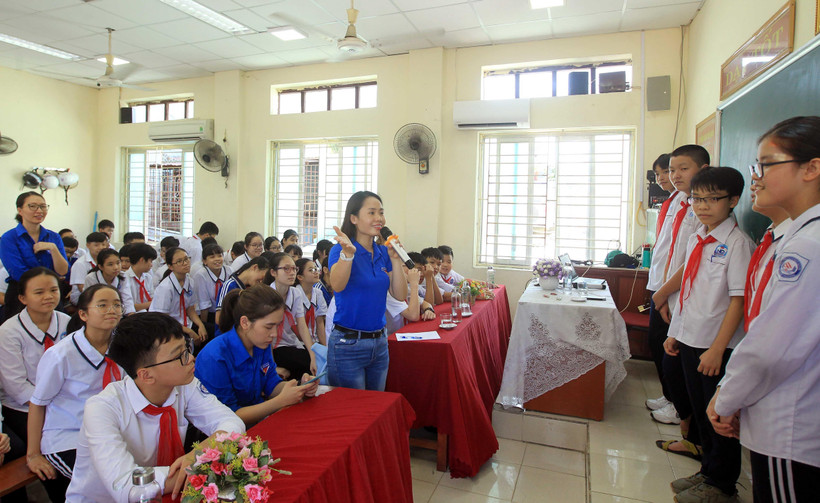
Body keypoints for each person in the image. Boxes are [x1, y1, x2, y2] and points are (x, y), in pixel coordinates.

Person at [709, 116, 820, 502]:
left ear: (812, 167)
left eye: (766, 165)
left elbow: (772, 347)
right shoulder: (796, 237)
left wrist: (726, 396)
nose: (757, 176)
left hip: (791, 420)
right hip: (778, 405)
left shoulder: (807, 246)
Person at [64, 312, 246, 502]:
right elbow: (127, 485)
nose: (191, 358)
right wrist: (200, 469)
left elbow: (231, 422)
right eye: (180, 355)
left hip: (163, 494)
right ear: (146, 375)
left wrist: (199, 454)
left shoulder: (185, 385)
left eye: (187, 348)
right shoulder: (102, 409)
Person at [661, 167, 753, 503]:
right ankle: (707, 472)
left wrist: (717, 349)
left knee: (718, 417)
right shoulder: (697, 236)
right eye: (698, 199)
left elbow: (738, 301)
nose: (702, 206)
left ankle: (722, 484)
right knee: (700, 412)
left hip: (716, 347)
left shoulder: (738, 244)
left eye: (712, 199)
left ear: (733, 201)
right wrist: (675, 332)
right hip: (689, 338)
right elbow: (688, 289)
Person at [26, 285, 124, 502]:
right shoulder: (61, 355)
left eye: (117, 304)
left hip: (108, 432)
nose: (112, 310)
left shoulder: (122, 346)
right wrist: (33, 454)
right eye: (102, 305)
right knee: (105, 486)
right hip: (68, 436)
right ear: (83, 314)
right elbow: (38, 403)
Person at [194, 285, 317, 427]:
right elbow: (228, 417)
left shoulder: (261, 344)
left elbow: (271, 384)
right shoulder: (215, 357)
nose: (275, 334)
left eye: (277, 325)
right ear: (245, 322)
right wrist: (280, 401)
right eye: (268, 327)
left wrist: (300, 387)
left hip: (259, 424)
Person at [651, 144, 710, 432]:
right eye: (670, 170)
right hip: (665, 288)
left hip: (678, 295)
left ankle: (679, 409)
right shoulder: (678, 200)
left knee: (673, 358)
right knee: (660, 348)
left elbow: (690, 260)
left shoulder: (701, 208)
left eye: (681, 169)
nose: (673, 176)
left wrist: (663, 293)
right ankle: (673, 401)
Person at [327, 191, 407, 390]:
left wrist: (396, 260)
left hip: (379, 343)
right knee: (353, 412)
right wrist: (348, 255)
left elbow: (400, 295)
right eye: (371, 213)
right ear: (353, 218)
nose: (379, 218)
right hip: (348, 344)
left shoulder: (382, 252)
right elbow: (337, 286)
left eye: (381, 212)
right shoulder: (341, 250)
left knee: (375, 409)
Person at [0, 268, 71, 443]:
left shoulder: (66, 322)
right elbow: (16, 386)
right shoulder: (9, 332)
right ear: (22, 298)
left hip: (64, 402)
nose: (48, 296)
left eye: (53, 290)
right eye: (39, 292)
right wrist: (54, 406)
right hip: (24, 407)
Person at [644, 153, 681, 415]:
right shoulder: (673, 201)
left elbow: (684, 256)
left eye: (666, 172)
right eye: (660, 173)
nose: (665, 178)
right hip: (660, 284)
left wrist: (664, 293)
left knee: (666, 346)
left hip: (670, 289)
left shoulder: (689, 205)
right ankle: (670, 396)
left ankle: (677, 403)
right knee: (657, 343)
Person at [0, 192, 69, 321]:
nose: (39, 211)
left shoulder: (54, 237)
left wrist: (53, 248)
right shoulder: (9, 238)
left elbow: (63, 270)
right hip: (21, 293)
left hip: (51, 292)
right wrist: (49, 279)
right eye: (33, 206)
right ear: (20, 210)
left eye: (43, 206)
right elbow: (17, 271)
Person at [149, 248, 208, 347]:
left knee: (209, 333)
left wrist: (200, 325)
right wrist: (189, 331)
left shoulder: (189, 281)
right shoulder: (166, 287)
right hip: (167, 326)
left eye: (186, 259)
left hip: (184, 323)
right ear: (170, 266)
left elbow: (190, 309)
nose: (185, 263)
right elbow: (164, 319)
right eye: (179, 261)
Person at [269, 253, 316, 377]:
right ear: (273, 272)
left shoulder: (295, 293)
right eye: (286, 268)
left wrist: (313, 354)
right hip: (272, 347)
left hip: (291, 344)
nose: (292, 272)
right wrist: (272, 366)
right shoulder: (266, 295)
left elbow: (302, 326)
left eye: (294, 269)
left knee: (314, 362)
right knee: (303, 363)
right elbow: (267, 333)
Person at [214, 256, 271, 325]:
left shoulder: (251, 289)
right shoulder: (229, 285)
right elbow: (219, 319)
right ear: (255, 267)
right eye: (263, 277)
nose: (262, 282)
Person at [83, 248, 136, 315]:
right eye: (110, 264)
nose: (116, 267)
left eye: (118, 263)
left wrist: (131, 314)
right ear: (101, 267)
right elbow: (88, 301)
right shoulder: (91, 278)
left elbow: (126, 298)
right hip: (97, 313)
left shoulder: (123, 276)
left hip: (117, 312)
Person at [192, 243, 231, 327]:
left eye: (219, 256)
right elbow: (204, 304)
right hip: (209, 314)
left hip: (228, 312)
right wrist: (204, 326)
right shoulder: (201, 275)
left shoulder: (229, 271)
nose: (217, 259)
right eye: (212, 257)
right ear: (204, 261)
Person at [69, 232, 109, 305]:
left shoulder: (106, 261)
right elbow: (82, 288)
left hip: (102, 294)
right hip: (82, 296)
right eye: (96, 245)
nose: (101, 248)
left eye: (103, 244)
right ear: (88, 245)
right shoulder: (80, 263)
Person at [294, 258, 327, 345]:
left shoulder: (318, 293)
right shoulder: (294, 294)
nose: (316, 272)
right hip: (298, 342)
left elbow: (320, 324)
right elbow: (295, 327)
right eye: (311, 270)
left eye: (316, 269)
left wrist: (324, 348)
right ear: (300, 277)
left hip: (315, 341)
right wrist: (310, 346)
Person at [125, 243, 158, 313]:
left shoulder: (148, 277)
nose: (151, 265)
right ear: (142, 260)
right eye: (150, 261)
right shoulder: (125, 278)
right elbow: (130, 307)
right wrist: (153, 303)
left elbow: (152, 298)